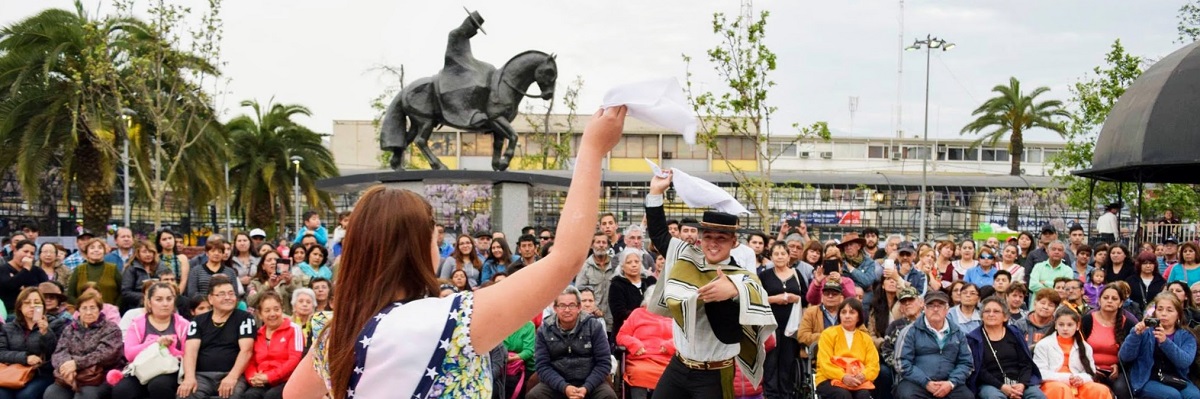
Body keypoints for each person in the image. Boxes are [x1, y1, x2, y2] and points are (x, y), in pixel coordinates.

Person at [281, 105, 625, 398]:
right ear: (415, 247)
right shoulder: (454, 321)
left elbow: (293, 394)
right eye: (434, 236)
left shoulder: (337, 331)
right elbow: (565, 259)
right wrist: (593, 149)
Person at [642, 170, 775, 398]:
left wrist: (733, 290)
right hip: (679, 365)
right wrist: (655, 191)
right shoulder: (686, 257)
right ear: (700, 238)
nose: (713, 243)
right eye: (708, 237)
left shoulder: (742, 276)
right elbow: (659, 233)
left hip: (715, 373)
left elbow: (754, 292)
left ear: (734, 243)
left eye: (721, 238)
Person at [526, 287, 617, 399]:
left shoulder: (594, 326)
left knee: (608, 396)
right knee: (534, 395)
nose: (567, 310)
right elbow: (542, 366)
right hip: (557, 383)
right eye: (562, 306)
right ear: (555, 308)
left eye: (572, 305)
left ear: (579, 307)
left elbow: (603, 363)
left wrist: (586, 387)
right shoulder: (544, 330)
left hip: (590, 382)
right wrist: (564, 387)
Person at [178, 275, 254, 399]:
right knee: (185, 395)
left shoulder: (245, 318)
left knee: (232, 395)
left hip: (232, 374)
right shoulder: (198, 321)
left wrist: (232, 377)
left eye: (231, 293)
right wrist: (189, 377)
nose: (228, 297)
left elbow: (246, 350)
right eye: (222, 294)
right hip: (202, 376)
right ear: (210, 299)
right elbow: (190, 351)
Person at [111, 282, 188, 399]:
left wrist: (169, 347)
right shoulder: (137, 323)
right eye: (159, 299)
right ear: (149, 302)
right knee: (122, 390)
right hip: (143, 367)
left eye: (169, 299)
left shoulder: (183, 324)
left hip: (170, 370)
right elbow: (130, 354)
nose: (165, 304)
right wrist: (156, 342)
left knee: (158, 386)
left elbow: (187, 355)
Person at [894, 290, 975, 399]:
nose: (935, 309)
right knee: (907, 395)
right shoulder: (910, 331)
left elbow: (967, 363)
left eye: (940, 305)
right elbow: (901, 363)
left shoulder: (958, 332)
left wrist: (951, 383)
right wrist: (926, 382)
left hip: (949, 384)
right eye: (931, 305)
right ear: (924, 308)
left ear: (947, 309)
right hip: (916, 383)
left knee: (967, 397)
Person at [1118, 293, 1200, 399]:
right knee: (1172, 396)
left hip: (1177, 378)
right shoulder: (1145, 331)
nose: (1163, 314)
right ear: (1155, 312)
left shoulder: (1187, 335)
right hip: (1147, 378)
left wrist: (1165, 342)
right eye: (1160, 309)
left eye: (1169, 310)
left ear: (1178, 315)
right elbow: (1124, 357)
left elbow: (1184, 362)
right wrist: (1135, 335)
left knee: (1195, 396)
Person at [43, 291, 123, 399]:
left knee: (85, 396)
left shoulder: (111, 329)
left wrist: (76, 364)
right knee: (52, 394)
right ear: (78, 310)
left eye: (93, 308)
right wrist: (66, 367)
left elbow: (106, 354)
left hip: (98, 377)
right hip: (70, 375)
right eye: (84, 308)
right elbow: (60, 351)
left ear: (99, 309)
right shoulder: (70, 328)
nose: (88, 312)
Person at [966, 297, 1045, 399]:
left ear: (1005, 317)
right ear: (982, 316)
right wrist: (1002, 387)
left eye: (996, 311)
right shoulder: (974, 338)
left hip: (1019, 381)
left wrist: (1022, 384)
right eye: (987, 311)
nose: (991, 314)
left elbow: (1026, 363)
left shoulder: (1014, 333)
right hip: (990, 384)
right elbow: (980, 370)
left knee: (1037, 396)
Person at [1032, 307, 1112, 399]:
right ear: (1055, 325)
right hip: (1052, 384)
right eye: (1061, 325)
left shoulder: (1086, 347)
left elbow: (1091, 373)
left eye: (1070, 325)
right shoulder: (1044, 344)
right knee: (1062, 389)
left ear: (1077, 326)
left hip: (1078, 384)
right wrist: (1068, 378)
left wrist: (1080, 379)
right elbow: (1040, 373)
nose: (1065, 329)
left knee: (1101, 390)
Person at [757, 242, 802, 399]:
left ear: (789, 256)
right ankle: (771, 395)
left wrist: (795, 298)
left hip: (791, 327)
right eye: (776, 254)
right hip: (770, 326)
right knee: (770, 363)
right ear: (771, 256)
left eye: (783, 253)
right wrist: (774, 299)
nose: (780, 257)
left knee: (787, 363)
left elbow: (807, 297)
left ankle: (787, 394)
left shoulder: (797, 274)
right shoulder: (764, 275)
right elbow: (757, 298)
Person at [242, 291, 303, 399]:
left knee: (271, 396)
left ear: (282, 310)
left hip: (286, 380)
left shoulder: (294, 329)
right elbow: (250, 361)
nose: (272, 314)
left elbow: (294, 359)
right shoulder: (257, 333)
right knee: (249, 396)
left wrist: (269, 377)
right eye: (267, 310)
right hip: (262, 380)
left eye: (276, 309)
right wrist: (253, 378)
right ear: (260, 315)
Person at [814, 298, 878, 399]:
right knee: (843, 395)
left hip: (857, 380)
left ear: (859, 317)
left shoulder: (866, 338)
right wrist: (843, 376)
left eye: (852, 312)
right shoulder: (828, 334)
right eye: (843, 312)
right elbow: (824, 363)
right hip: (829, 378)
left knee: (864, 395)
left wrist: (864, 375)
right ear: (839, 315)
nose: (847, 316)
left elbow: (873, 364)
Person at [1080, 284, 1135, 399]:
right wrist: (1090, 367)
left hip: (1116, 371)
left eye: (1114, 299)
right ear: (1099, 300)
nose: (1109, 301)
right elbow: (1077, 347)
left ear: (1120, 303)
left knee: (1122, 389)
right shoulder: (1087, 320)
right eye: (1106, 298)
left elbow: (1132, 352)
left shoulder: (1128, 324)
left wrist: (1119, 366)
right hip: (1088, 368)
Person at [615, 295, 673, 399]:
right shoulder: (638, 313)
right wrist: (634, 344)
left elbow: (684, 338)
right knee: (639, 372)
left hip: (666, 360)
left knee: (672, 375)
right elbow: (622, 335)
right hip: (641, 359)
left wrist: (670, 345)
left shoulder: (672, 315)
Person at [876, 286, 922, 399]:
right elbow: (886, 351)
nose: (907, 303)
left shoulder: (929, 323)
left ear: (921, 303)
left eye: (911, 300)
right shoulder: (895, 326)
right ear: (900, 308)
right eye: (903, 302)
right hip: (902, 368)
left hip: (926, 367)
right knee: (883, 371)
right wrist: (903, 365)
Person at [609, 249, 657, 339]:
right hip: (627, 334)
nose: (634, 265)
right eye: (629, 262)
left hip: (652, 331)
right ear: (622, 266)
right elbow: (619, 313)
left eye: (636, 261)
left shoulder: (650, 281)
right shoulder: (616, 285)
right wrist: (643, 316)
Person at [576, 232, 615, 334]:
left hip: (613, 320)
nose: (601, 245)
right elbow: (579, 291)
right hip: (592, 320)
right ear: (592, 245)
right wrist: (593, 309)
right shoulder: (585, 267)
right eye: (598, 242)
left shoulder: (615, 265)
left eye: (604, 242)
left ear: (608, 245)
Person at [65, 239, 117, 306]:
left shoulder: (113, 268)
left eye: (100, 247)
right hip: (84, 313)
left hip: (110, 313)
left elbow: (122, 292)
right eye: (92, 248)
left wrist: (116, 307)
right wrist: (80, 306)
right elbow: (70, 294)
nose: (96, 250)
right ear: (87, 252)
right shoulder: (79, 269)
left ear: (104, 251)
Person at [0, 239, 48, 311]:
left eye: (32, 253)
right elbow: (8, 286)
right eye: (25, 251)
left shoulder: (38, 271)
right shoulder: (3, 270)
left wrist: (24, 289)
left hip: (34, 310)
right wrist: (26, 269)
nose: (28, 255)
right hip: (10, 311)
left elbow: (44, 289)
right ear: (15, 251)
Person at [120, 240, 162, 311]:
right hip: (137, 306)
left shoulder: (160, 266)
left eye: (150, 251)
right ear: (138, 253)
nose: (148, 254)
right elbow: (126, 292)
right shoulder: (131, 268)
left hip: (159, 305)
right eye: (144, 252)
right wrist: (147, 297)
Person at [502, 320, 536, 399]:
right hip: (501, 362)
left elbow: (528, 351)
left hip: (524, 365)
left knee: (512, 383)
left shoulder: (529, 326)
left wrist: (514, 358)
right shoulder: (501, 324)